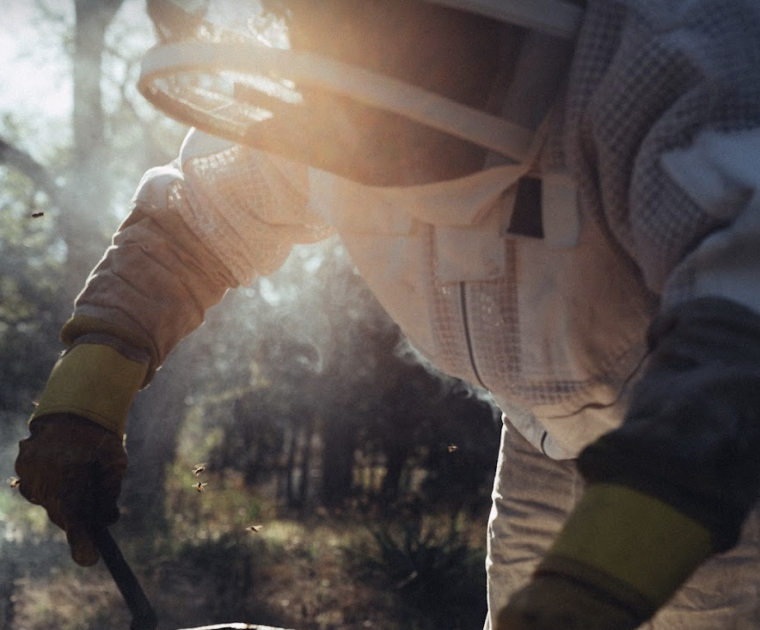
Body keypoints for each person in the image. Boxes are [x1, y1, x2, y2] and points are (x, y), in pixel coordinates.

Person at [14, 0, 760, 628]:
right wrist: (85, 399)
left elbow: (742, 333)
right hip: (539, 437)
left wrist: (600, 582)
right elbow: (194, 221)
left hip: (714, 455)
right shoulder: (331, 80)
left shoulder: (674, 63)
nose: (363, 116)